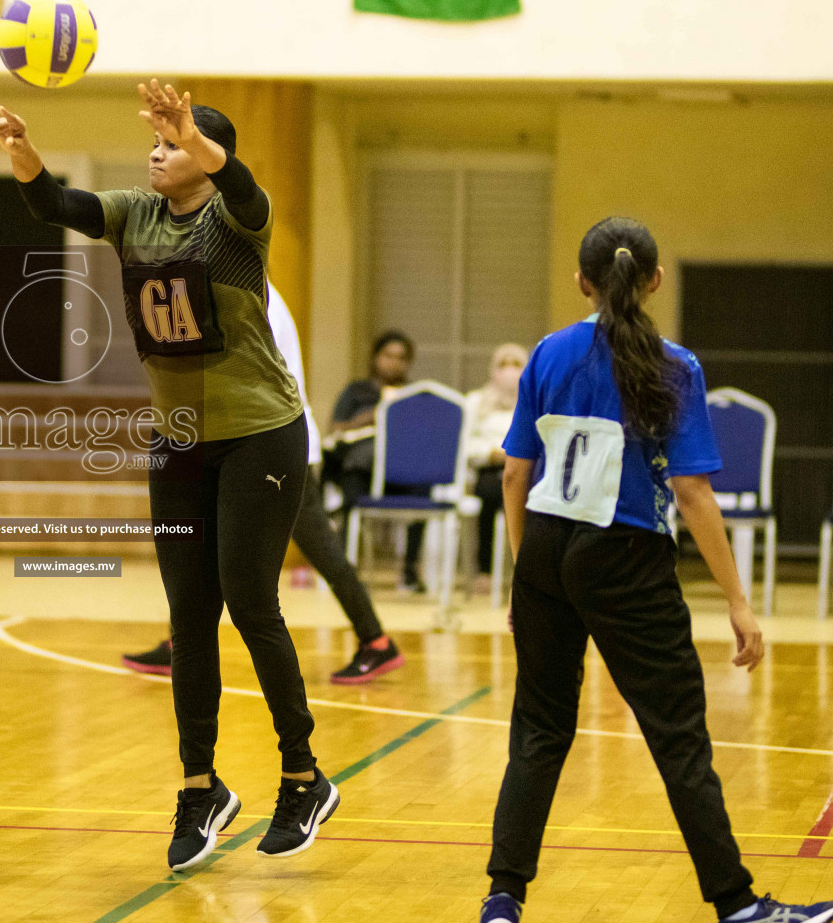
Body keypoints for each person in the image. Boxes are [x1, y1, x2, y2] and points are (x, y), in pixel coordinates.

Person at [0, 82, 339, 872]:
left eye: (172, 144)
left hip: (260, 435)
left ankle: (302, 775)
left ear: (207, 160)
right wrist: (22, 152)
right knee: (189, 618)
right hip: (179, 440)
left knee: (251, 603)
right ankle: (199, 787)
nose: (156, 151)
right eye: (157, 141)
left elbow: (245, 187)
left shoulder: (237, 223)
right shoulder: (134, 214)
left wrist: (201, 140)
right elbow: (57, 206)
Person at [478, 216, 831, 923]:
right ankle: (736, 904)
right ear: (655, 281)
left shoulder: (546, 354)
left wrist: (527, 576)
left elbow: (516, 475)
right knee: (677, 736)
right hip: (625, 555)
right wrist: (739, 601)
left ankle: (502, 899)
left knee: (539, 731)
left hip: (546, 546)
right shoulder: (677, 365)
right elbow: (696, 492)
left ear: (583, 283)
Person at [121, 281, 404, 685]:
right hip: (258, 442)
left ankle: (376, 641)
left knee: (319, 550)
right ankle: (179, 643)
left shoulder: (246, 295)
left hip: (275, 446)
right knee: (207, 546)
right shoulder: (241, 290)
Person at [327, 331, 427, 592]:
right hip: (362, 469)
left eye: (401, 357)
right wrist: (378, 412)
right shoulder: (356, 390)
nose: (394, 362)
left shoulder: (415, 394)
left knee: (424, 485)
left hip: (402, 471)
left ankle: (409, 571)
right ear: (375, 358)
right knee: (351, 488)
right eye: (388, 356)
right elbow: (336, 429)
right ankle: (343, 571)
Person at [464, 343, 529, 587]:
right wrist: (490, 453)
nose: (509, 371)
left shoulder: (532, 401)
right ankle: (485, 570)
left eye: (516, 364)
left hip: (524, 469)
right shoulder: (476, 401)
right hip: (489, 469)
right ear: (493, 369)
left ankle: (524, 570)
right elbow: (465, 444)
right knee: (490, 494)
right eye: (503, 364)